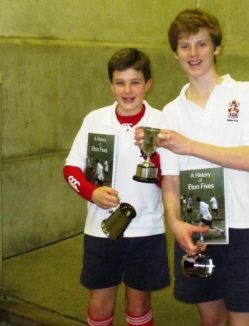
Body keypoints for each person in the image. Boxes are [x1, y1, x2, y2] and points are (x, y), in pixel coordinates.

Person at [137, 8, 249, 326]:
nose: (193, 53)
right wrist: (175, 223)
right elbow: (170, 178)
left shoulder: (246, 93)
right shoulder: (170, 111)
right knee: (211, 321)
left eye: (201, 44)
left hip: (244, 229)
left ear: (216, 48)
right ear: (175, 54)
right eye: (185, 46)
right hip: (197, 227)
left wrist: (187, 145)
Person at [63, 48, 169, 326]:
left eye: (135, 82)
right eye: (120, 82)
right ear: (110, 84)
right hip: (101, 229)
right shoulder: (94, 120)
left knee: (138, 305)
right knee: (99, 306)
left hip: (146, 228)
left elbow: (173, 178)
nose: (127, 90)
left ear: (148, 83)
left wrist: (154, 155)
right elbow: (71, 168)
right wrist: (92, 192)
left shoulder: (163, 122)